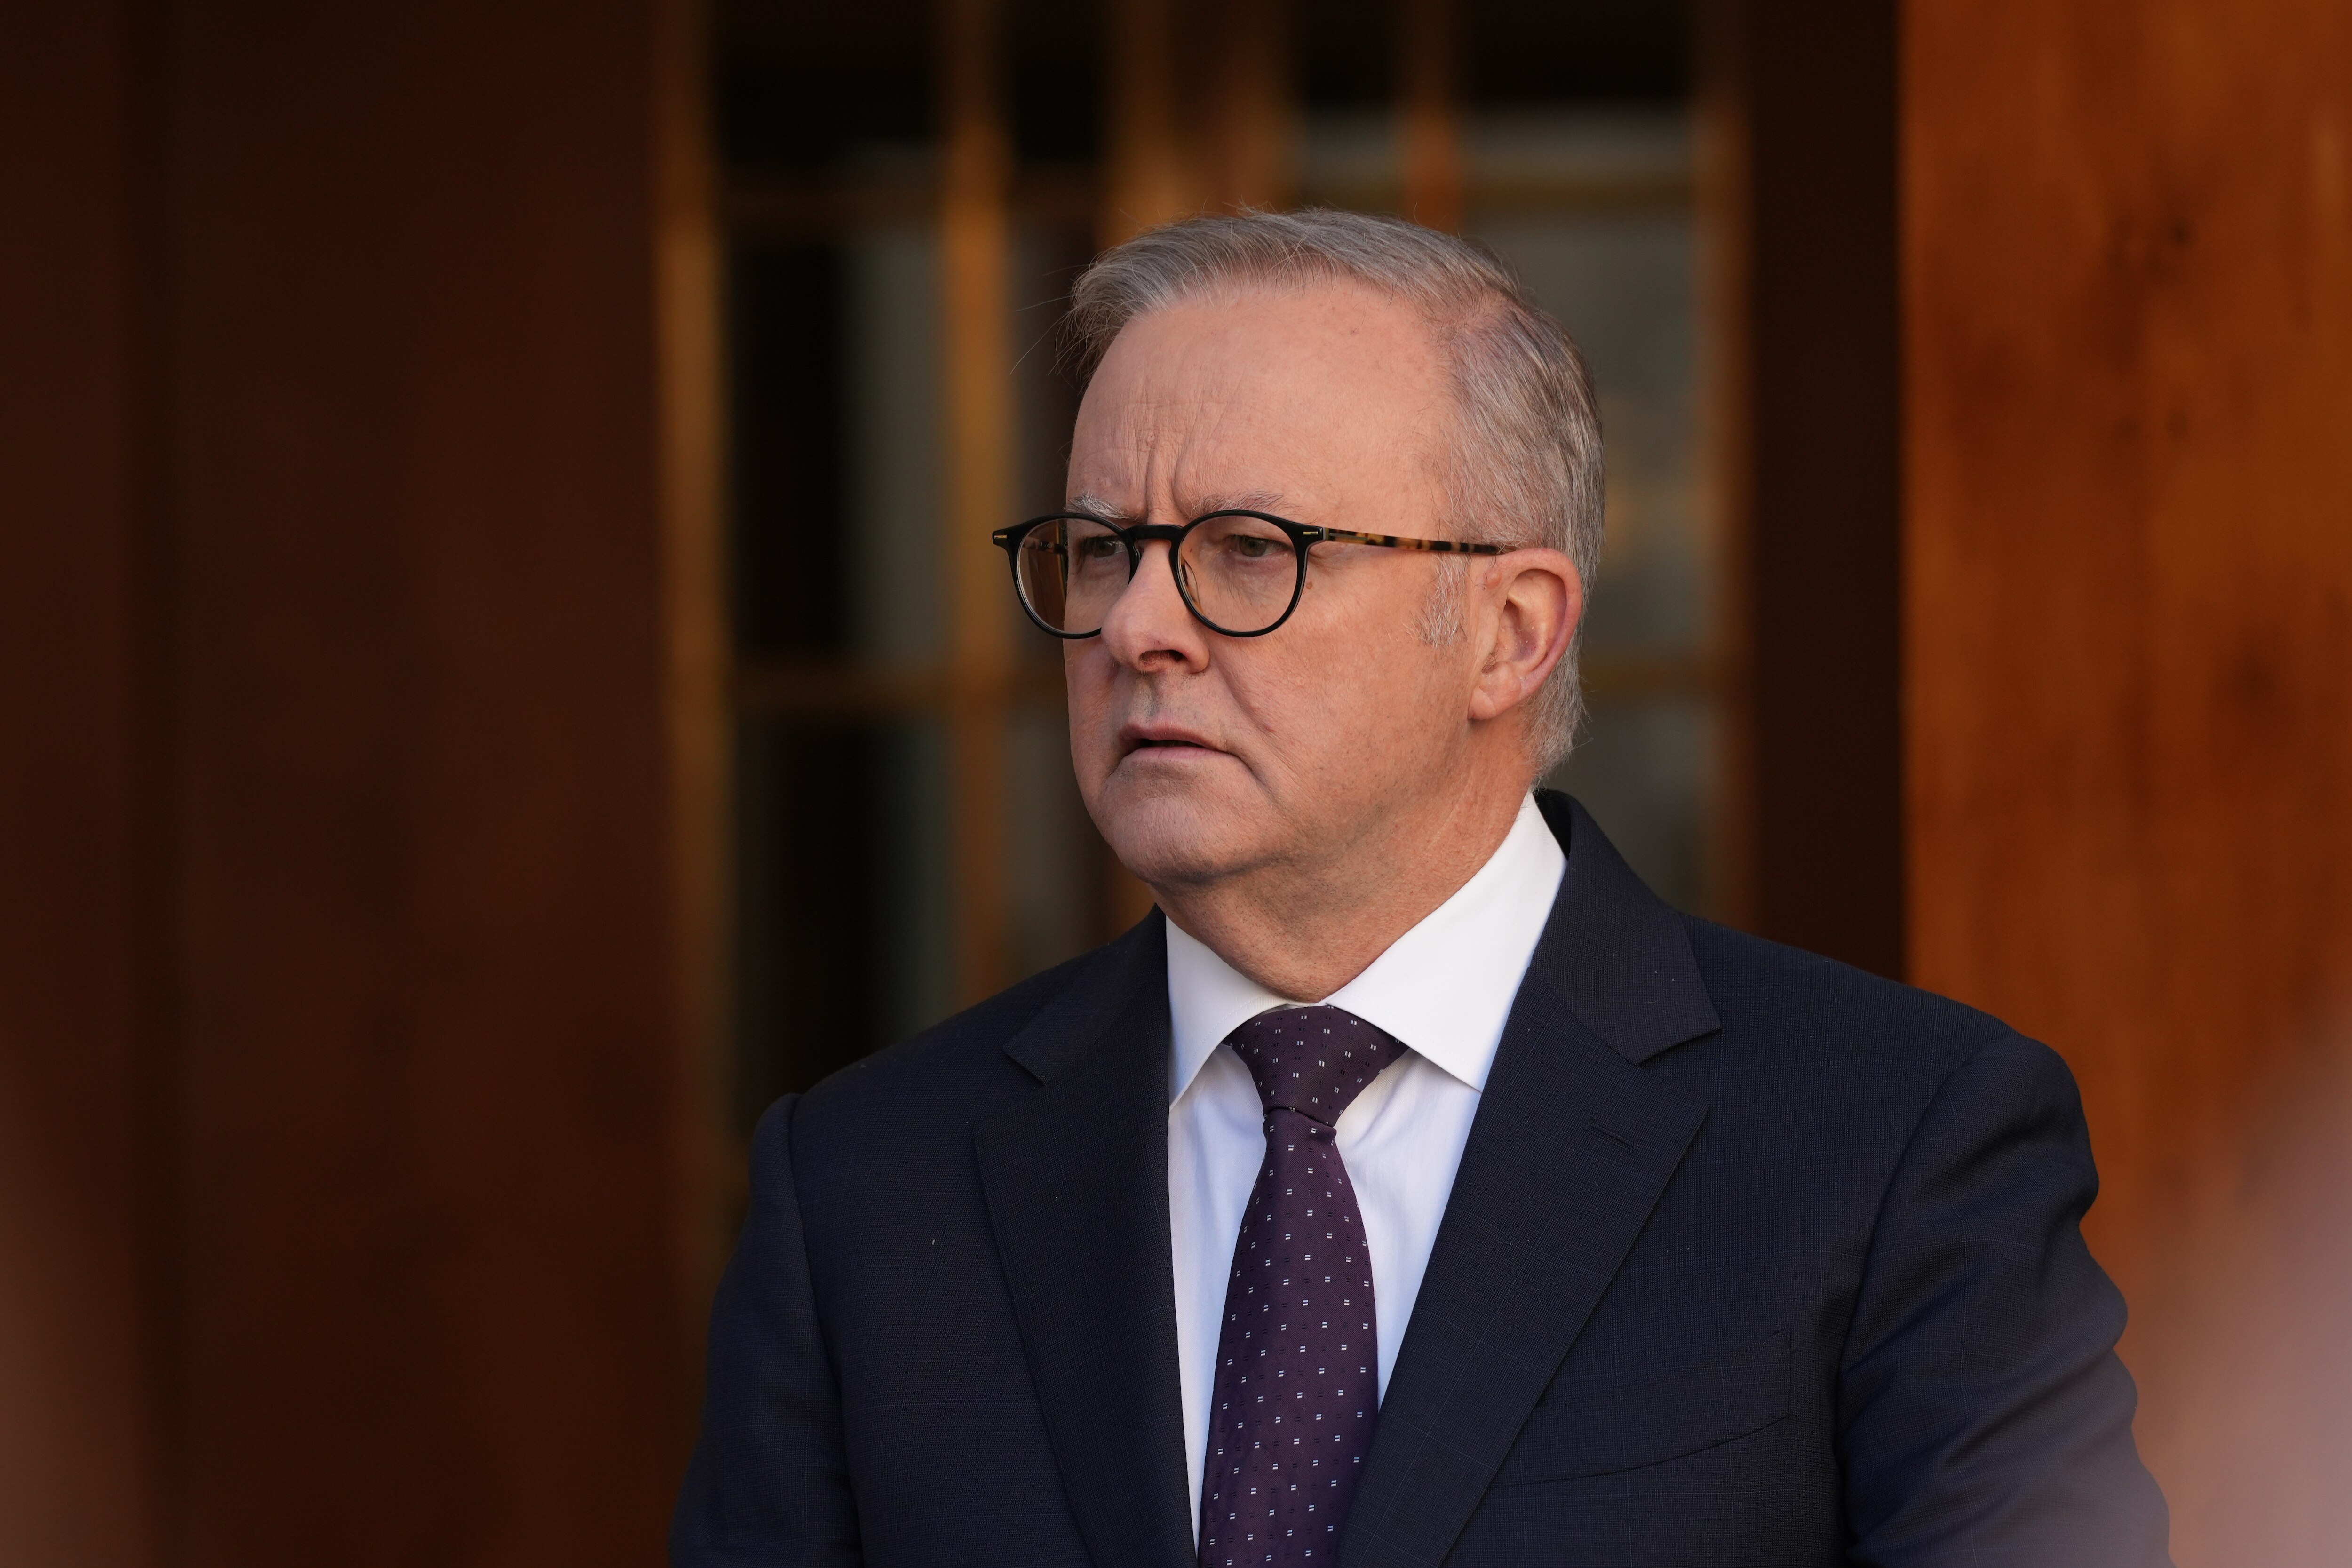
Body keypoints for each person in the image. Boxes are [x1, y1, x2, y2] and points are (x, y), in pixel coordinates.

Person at [671, 210, 2171, 1567]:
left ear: (1511, 632)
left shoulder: (1894, 1145)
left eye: (1247, 552)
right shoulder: (868, 1187)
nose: (1135, 626)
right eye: (1098, 550)